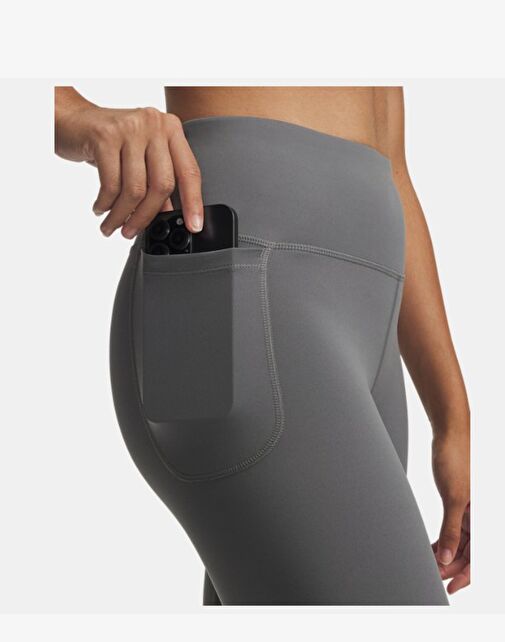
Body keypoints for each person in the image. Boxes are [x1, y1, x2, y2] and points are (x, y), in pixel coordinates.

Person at [54, 86, 470, 605]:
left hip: (367, 328)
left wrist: (453, 422)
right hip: (246, 281)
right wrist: (83, 118)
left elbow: (395, 167)